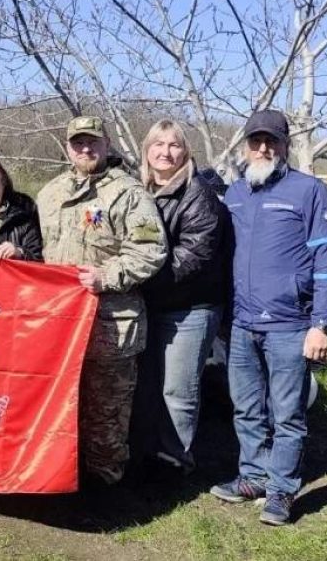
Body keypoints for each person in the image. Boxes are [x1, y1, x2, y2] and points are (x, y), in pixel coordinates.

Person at [210, 109, 327, 526]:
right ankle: (253, 476)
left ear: (285, 146)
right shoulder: (236, 193)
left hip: (290, 324)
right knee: (246, 408)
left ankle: (281, 490)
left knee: (288, 413)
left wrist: (321, 323)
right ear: (245, 145)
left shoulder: (310, 191)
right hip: (243, 323)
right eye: (256, 141)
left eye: (273, 141)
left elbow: (326, 259)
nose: (263, 148)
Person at [36, 116, 167, 485]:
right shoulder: (50, 194)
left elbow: (150, 251)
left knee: (107, 411)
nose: (85, 149)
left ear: (107, 145)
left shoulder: (128, 193)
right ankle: (65, 479)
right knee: (63, 405)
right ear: (68, 148)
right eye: (78, 143)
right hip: (60, 325)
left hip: (110, 322)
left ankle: (105, 485)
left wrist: (105, 276)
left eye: (93, 142)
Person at [134, 119, 230, 474]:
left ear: (186, 151)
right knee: (147, 385)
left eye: (174, 145)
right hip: (153, 303)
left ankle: (176, 460)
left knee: (177, 389)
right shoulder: (138, 191)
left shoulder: (198, 195)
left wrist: (135, 277)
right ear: (147, 151)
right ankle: (146, 454)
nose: (165, 152)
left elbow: (192, 258)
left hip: (191, 307)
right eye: (158, 144)